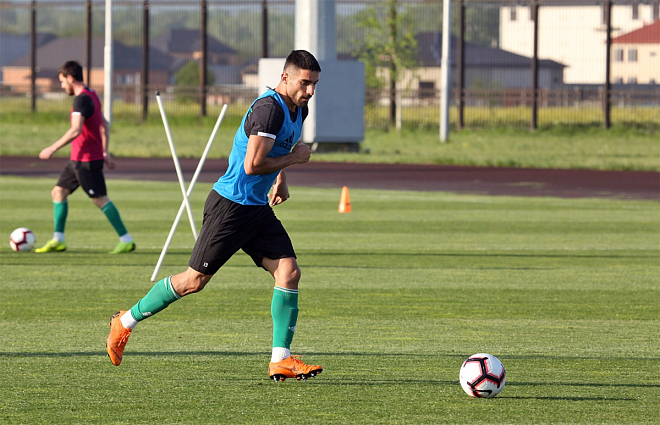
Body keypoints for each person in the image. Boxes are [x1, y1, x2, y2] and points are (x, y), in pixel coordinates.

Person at [106, 50, 323, 382]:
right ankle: (124, 322)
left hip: (256, 209)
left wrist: (281, 178)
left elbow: (281, 146)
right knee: (193, 282)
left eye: (314, 84)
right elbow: (253, 164)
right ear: (285, 78)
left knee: (289, 273)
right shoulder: (268, 110)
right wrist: (295, 160)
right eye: (304, 83)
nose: (309, 91)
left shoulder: (299, 109)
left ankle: (280, 359)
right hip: (230, 207)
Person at [36, 60, 135, 254]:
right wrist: (105, 151)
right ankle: (58, 239)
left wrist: (52, 148)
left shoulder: (81, 100)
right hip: (77, 160)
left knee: (100, 199)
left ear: (70, 78)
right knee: (58, 192)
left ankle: (126, 240)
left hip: (87, 161)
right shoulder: (92, 94)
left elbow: (76, 129)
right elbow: (105, 124)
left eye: (62, 81)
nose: (62, 86)